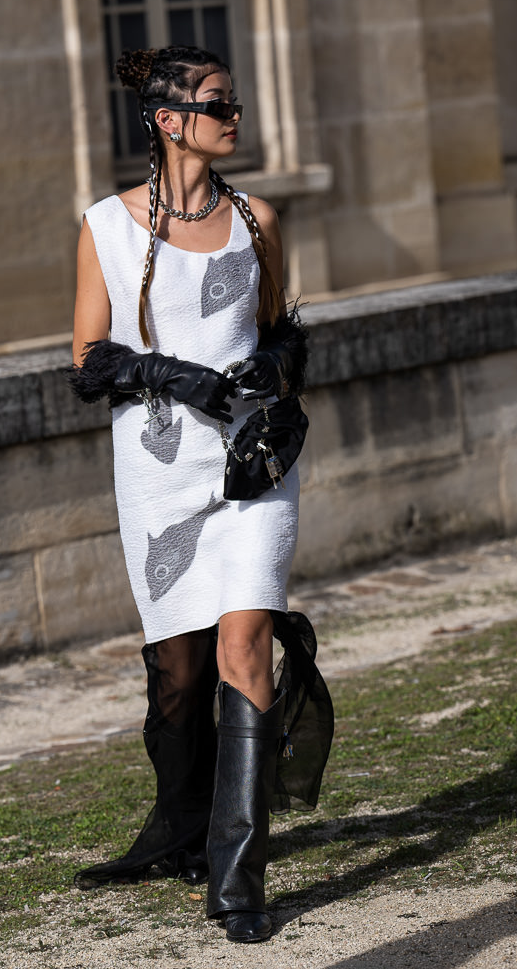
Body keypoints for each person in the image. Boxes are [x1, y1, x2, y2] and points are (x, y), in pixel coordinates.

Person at [68, 45, 333, 944]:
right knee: (179, 676)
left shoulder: (257, 217)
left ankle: (238, 877)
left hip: (255, 468)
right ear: (169, 119)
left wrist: (261, 375)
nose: (236, 119)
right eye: (220, 105)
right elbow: (89, 360)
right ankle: (183, 829)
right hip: (160, 473)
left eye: (236, 105)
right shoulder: (106, 225)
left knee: (244, 640)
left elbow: (281, 335)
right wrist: (188, 381)